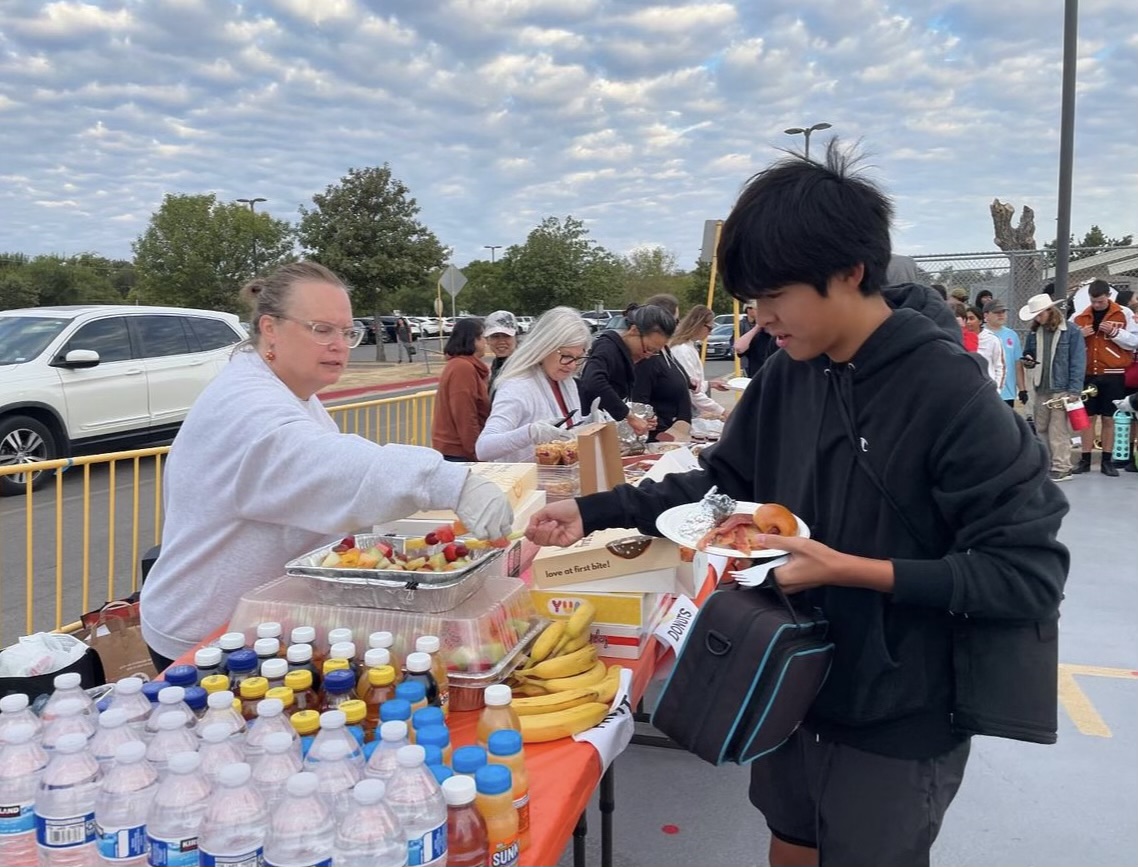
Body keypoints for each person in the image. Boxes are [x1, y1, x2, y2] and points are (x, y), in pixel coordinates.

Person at [525, 144, 1068, 867]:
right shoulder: (788, 375)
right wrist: (593, 511)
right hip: (787, 676)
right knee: (790, 841)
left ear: (849, 272)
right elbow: (722, 484)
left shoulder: (948, 390)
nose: (759, 318)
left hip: (901, 706)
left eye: (775, 297)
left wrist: (847, 568)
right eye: (753, 300)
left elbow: (1027, 572)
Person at [139, 262, 513, 671]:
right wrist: (447, 481)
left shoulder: (289, 389)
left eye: (347, 332)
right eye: (321, 329)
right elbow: (325, 465)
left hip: (265, 618)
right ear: (270, 328)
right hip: (207, 633)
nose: (339, 344)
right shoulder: (246, 405)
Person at [475, 307, 591, 463]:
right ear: (544, 347)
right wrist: (531, 433)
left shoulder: (566, 382)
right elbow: (483, 448)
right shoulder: (517, 387)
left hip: (562, 483)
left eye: (578, 358)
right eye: (565, 356)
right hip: (524, 484)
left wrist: (589, 424)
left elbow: (568, 433)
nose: (571, 366)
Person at [1071, 279, 1138, 476]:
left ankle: (1106, 461)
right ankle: (1085, 459)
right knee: (1087, 418)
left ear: (1108, 296)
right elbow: (1067, 342)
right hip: (1088, 373)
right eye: (1093, 301)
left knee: (1109, 418)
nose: (1096, 305)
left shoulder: (1124, 313)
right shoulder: (1079, 316)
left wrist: (1116, 333)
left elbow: (1134, 342)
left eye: (1100, 301)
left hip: (1114, 374)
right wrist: (1079, 335)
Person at [577, 303, 675, 437]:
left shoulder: (627, 356)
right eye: (648, 348)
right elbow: (593, 381)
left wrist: (641, 418)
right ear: (634, 330)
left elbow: (615, 400)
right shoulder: (607, 348)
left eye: (655, 352)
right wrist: (630, 417)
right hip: (588, 433)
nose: (648, 355)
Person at [1018, 293, 1085, 481]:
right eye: (1035, 316)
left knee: (1058, 429)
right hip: (1041, 386)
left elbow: (1078, 361)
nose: (1038, 319)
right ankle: (1047, 463)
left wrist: (1074, 390)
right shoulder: (1034, 333)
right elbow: (1028, 354)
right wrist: (1028, 360)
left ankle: (1062, 466)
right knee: (1041, 427)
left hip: (1060, 387)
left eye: (1040, 314)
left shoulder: (1071, 331)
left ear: (1050, 310)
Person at [631, 294, 692, 441]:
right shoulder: (648, 358)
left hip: (676, 434)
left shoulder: (665, 351)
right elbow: (639, 402)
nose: (678, 326)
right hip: (659, 439)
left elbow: (674, 380)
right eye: (676, 321)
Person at [431, 318, 491, 461]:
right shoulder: (462, 368)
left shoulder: (463, 365)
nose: (485, 342)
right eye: (483, 337)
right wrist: (476, 453)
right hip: (458, 452)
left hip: (460, 451)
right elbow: (465, 414)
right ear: (473, 340)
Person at [668, 305, 727, 421]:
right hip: (683, 412)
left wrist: (710, 384)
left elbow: (693, 384)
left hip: (689, 410)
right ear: (699, 325)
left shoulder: (688, 347)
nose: (710, 333)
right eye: (710, 328)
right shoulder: (682, 350)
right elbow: (690, 390)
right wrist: (723, 411)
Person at [982, 300, 1023, 407]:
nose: (1001, 315)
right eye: (996, 312)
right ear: (986, 315)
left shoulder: (1012, 335)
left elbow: (1017, 364)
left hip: (1007, 393)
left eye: (1003, 312)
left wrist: (1022, 389)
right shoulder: (980, 334)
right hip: (986, 391)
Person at [964, 305, 1005, 390]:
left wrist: (997, 390)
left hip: (987, 388)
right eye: (966, 319)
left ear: (980, 321)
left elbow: (1000, 366)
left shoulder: (992, 340)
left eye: (971, 318)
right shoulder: (960, 338)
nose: (968, 322)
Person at [734, 301, 777, 376]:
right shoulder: (757, 336)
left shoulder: (779, 337)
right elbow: (739, 348)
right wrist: (757, 328)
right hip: (757, 379)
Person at [482, 310, 518, 389]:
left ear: (516, 338)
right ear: (487, 340)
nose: (501, 341)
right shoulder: (497, 364)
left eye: (506, 336)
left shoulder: (522, 366)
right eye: (495, 336)